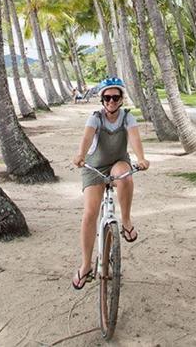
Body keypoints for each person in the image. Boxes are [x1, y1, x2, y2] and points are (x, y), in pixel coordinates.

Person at [71, 76, 149, 290]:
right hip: (95, 167)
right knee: (89, 213)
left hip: (117, 163)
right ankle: (86, 265)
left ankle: (125, 221)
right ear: (102, 99)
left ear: (122, 99)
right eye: (107, 97)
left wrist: (141, 158)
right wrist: (80, 155)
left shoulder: (127, 118)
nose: (111, 101)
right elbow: (87, 138)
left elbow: (134, 138)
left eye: (115, 97)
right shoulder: (95, 118)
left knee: (126, 174)